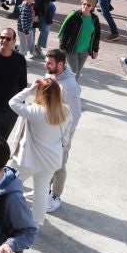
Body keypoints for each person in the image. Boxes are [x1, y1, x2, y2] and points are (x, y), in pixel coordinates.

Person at [9, 78, 71, 226]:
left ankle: (9, 216)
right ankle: (35, 223)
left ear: (40, 93)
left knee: (9, 185)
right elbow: (65, 138)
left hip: (28, 160)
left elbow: (13, 102)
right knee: (42, 192)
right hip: (50, 161)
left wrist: (29, 90)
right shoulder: (66, 112)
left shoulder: (35, 111)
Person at [43, 49, 82, 213]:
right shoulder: (51, 75)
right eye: (46, 61)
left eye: (49, 63)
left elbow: (75, 116)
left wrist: (63, 140)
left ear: (61, 64)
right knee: (46, 163)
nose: (46, 65)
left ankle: (55, 196)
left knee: (59, 165)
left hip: (61, 135)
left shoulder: (70, 86)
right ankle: (44, 191)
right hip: (49, 131)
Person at [57, 0, 101, 78]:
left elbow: (96, 35)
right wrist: (62, 47)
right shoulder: (75, 16)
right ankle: (68, 88)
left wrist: (95, 49)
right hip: (71, 49)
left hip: (85, 50)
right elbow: (65, 33)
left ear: (92, 7)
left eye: (88, 5)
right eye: (84, 4)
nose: (85, 6)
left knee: (77, 72)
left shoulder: (94, 19)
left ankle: (72, 89)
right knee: (73, 71)